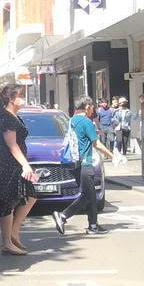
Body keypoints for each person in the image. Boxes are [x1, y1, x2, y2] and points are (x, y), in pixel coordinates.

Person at [53, 97, 113, 236]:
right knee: (87, 195)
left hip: (75, 163)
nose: (93, 109)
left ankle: (93, 225)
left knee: (90, 195)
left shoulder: (72, 120)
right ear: (87, 107)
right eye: (92, 107)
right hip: (86, 162)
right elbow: (96, 143)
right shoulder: (87, 122)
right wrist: (112, 155)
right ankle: (63, 216)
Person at [0, 84, 35, 257]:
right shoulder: (7, 118)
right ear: (11, 100)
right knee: (8, 202)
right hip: (7, 163)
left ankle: (13, 233)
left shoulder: (14, 116)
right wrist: (25, 165)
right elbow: (12, 144)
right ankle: (6, 243)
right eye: (20, 96)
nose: (23, 98)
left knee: (31, 194)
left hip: (16, 163)